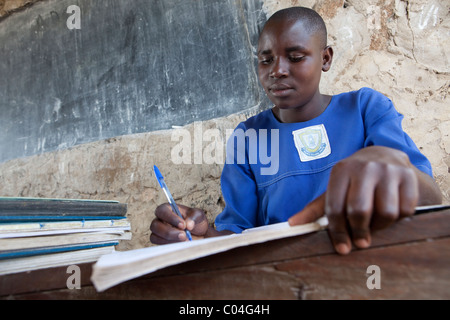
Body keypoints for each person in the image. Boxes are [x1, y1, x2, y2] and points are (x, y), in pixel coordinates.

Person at [150, 7, 442, 255]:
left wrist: (393, 167)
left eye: (295, 56)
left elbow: (430, 197)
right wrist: (200, 236)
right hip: (286, 276)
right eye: (266, 60)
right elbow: (238, 239)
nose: (277, 70)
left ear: (325, 58)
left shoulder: (365, 109)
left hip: (367, 263)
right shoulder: (249, 138)